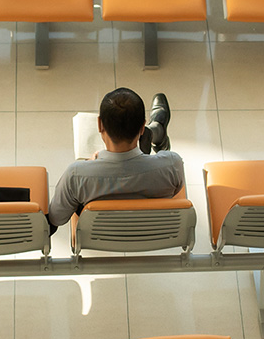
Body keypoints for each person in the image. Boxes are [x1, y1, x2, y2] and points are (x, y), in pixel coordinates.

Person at [47, 88, 185, 231]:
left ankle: (157, 130)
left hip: (101, 236)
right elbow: (174, 192)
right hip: (154, 234)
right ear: (142, 128)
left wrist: (89, 164)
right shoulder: (172, 164)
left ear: (100, 125)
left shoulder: (76, 175)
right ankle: (157, 130)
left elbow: (57, 218)